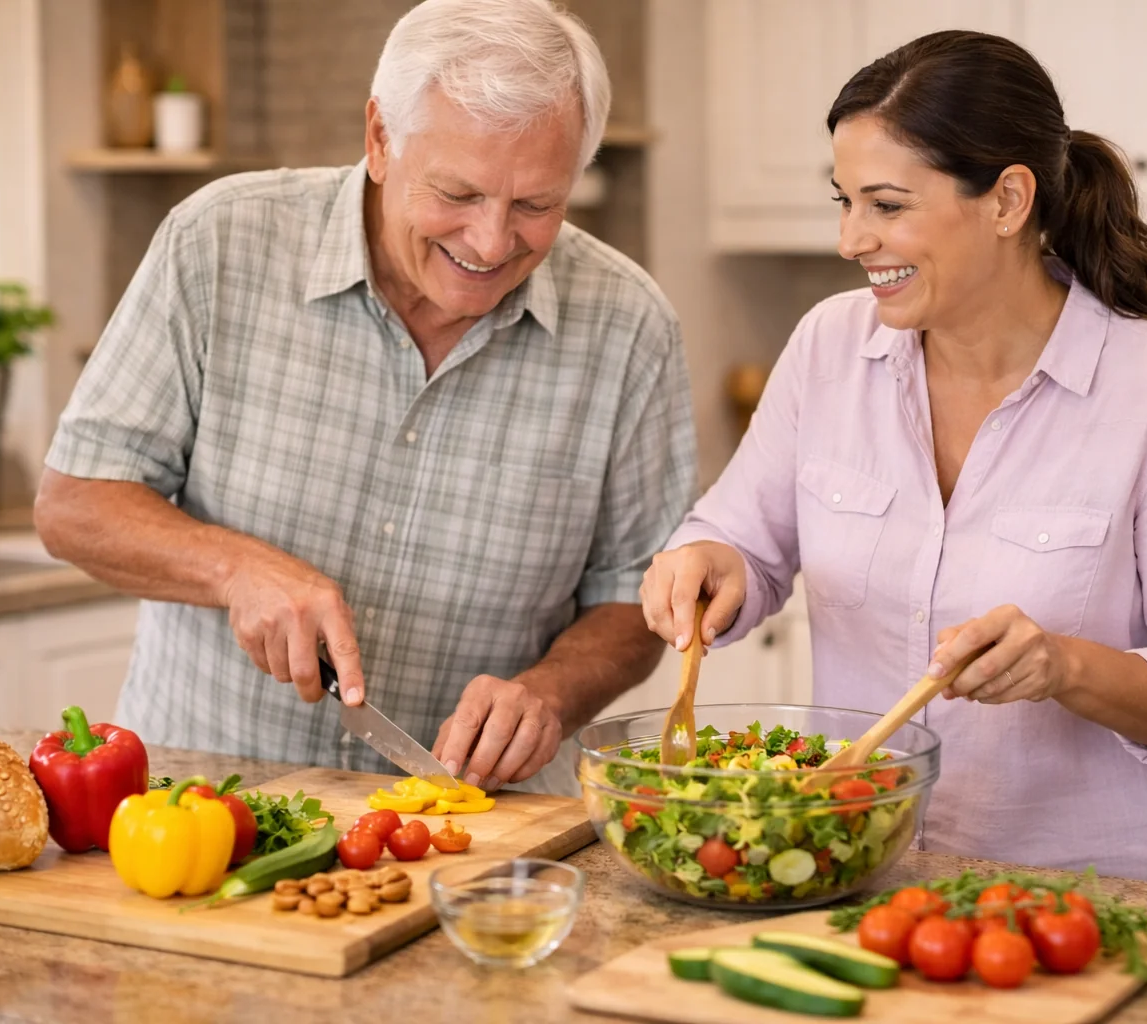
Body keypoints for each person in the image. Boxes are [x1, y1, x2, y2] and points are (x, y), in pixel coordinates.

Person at [640, 31, 1147, 890]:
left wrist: (1065, 666)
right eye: (845, 202)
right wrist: (706, 562)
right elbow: (743, 542)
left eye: (887, 205)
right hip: (875, 874)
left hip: (1108, 898)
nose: (852, 239)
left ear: (1009, 199)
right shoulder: (830, 347)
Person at [35, 0, 695, 795]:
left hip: (476, 836)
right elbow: (74, 504)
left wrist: (551, 694)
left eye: (536, 206)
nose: (490, 243)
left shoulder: (630, 326)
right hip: (203, 813)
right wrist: (233, 568)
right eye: (457, 193)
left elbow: (633, 599)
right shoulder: (218, 242)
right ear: (380, 138)